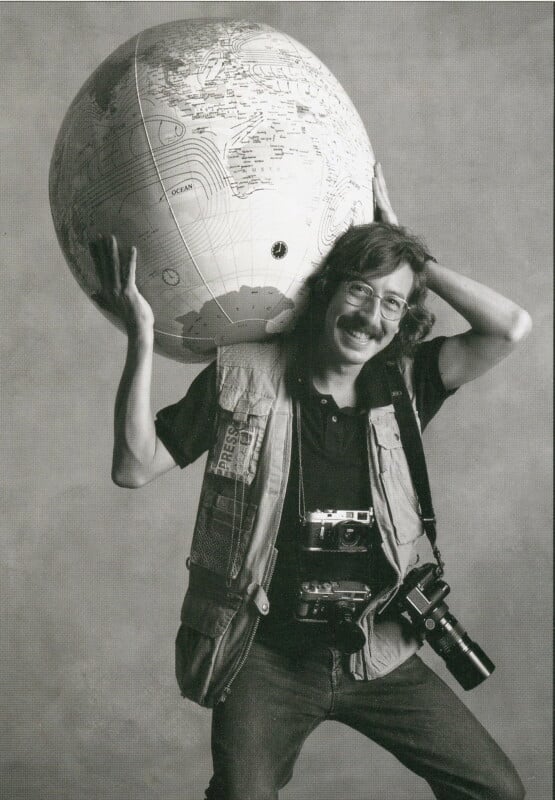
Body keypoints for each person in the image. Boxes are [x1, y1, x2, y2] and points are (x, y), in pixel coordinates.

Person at [90, 163, 531, 800]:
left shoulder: (406, 381)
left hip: (377, 648)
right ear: (327, 291)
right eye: (359, 290)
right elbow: (133, 467)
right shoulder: (243, 374)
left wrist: (412, 258)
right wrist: (140, 336)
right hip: (266, 657)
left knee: (497, 790)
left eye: (391, 302)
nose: (371, 315)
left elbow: (509, 327)